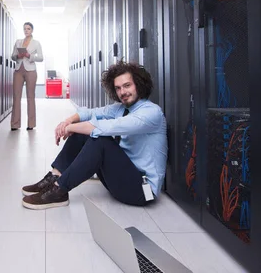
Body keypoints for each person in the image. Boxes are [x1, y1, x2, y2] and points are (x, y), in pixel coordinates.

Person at [21, 60, 167, 210]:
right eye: (118, 88)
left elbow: (108, 126)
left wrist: (71, 127)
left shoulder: (151, 113)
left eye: (127, 85)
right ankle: (55, 176)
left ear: (139, 84)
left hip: (143, 191)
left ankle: (59, 190)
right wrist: (68, 121)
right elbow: (91, 113)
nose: (122, 92)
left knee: (99, 138)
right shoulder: (120, 108)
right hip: (122, 178)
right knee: (84, 132)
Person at [11, 22, 44, 131]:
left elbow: (40, 58)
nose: (26, 30)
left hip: (31, 70)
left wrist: (29, 55)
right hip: (18, 70)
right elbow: (12, 56)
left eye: (28, 29)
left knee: (30, 97)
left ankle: (31, 124)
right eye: (25, 29)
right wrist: (18, 56)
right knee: (16, 97)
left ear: (32, 30)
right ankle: (15, 124)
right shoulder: (18, 42)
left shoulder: (36, 43)